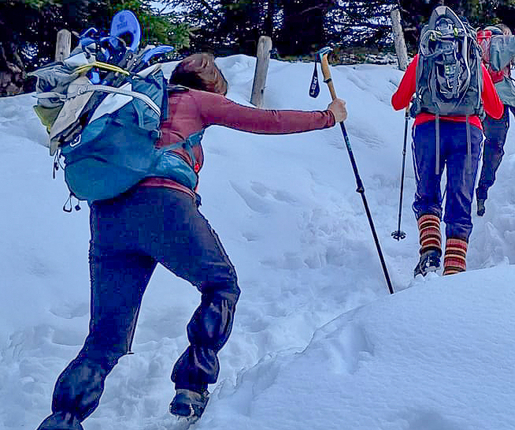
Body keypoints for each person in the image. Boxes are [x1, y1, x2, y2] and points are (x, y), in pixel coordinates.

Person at [36, 53, 346, 430]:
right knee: (221, 285)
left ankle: (63, 419)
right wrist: (328, 116)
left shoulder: (131, 103)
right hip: (164, 204)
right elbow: (267, 121)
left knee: (104, 338)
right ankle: (192, 385)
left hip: (108, 217)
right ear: (212, 84)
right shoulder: (194, 98)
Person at [391, 6, 503, 277]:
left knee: (427, 192)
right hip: (467, 131)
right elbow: (497, 110)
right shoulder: (473, 61)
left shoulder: (423, 58)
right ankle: (455, 267)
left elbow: (397, 103)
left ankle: (429, 253)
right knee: (460, 197)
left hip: (428, 129)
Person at [474, 24, 515, 217]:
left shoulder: (470, 42)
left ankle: (463, 190)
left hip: (471, 101)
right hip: (497, 100)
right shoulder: (504, 40)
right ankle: (484, 193)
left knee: (471, 147)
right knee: (494, 146)